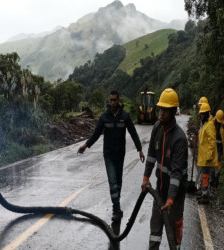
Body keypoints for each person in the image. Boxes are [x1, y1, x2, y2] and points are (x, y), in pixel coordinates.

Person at [78, 90, 145, 222]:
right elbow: (96, 134)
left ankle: (117, 207)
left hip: (120, 154)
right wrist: (86, 146)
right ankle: (116, 209)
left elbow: (133, 133)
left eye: (115, 100)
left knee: (118, 182)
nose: (113, 102)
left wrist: (140, 149)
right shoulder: (104, 117)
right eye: (111, 100)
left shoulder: (125, 116)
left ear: (119, 100)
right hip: (108, 154)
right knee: (113, 181)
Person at [141, 88, 188, 249]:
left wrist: (170, 199)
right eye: (160, 109)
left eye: (165, 110)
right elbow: (151, 156)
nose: (161, 113)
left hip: (174, 197)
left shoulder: (179, 139)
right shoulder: (157, 128)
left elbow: (176, 174)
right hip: (159, 191)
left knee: (173, 233)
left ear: (173, 111)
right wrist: (146, 178)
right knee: (155, 229)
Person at [196, 102, 218, 204]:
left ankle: (205, 195)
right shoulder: (205, 124)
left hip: (207, 157)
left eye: (202, 114)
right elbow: (203, 136)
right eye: (200, 114)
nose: (201, 116)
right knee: (203, 175)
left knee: (205, 175)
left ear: (206, 114)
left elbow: (212, 142)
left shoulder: (209, 125)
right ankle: (203, 192)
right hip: (203, 156)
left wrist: (209, 155)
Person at [212, 109, 224, 187]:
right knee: (213, 163)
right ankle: (212, 178)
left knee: (218, 163)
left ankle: (217, 179)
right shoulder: (213, 122)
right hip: (213, 147)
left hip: (220, 148)